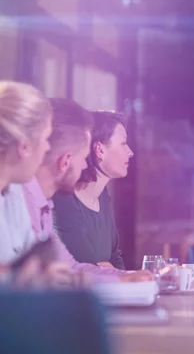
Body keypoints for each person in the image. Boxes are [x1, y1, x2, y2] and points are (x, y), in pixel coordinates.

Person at [23, 99, 150, 282]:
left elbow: (71, 268)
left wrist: (126, 277)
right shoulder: (29, 201)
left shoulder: (40, 204)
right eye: (82, 157)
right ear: (65, 161)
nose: (84, 164)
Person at [0, 80, 81, 289]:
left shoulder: (14, 192)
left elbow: (27, 263)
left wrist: (47, 274)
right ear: (24, 146)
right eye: (46, 139)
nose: (47, 148)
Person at [53, 111, 133, 269]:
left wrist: (111, 272)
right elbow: (84, 266)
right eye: (123, 143)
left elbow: (115, 257)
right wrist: (110, 272)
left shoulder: (102, 195)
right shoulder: (62, 198)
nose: (130, 152)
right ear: (100, 150)